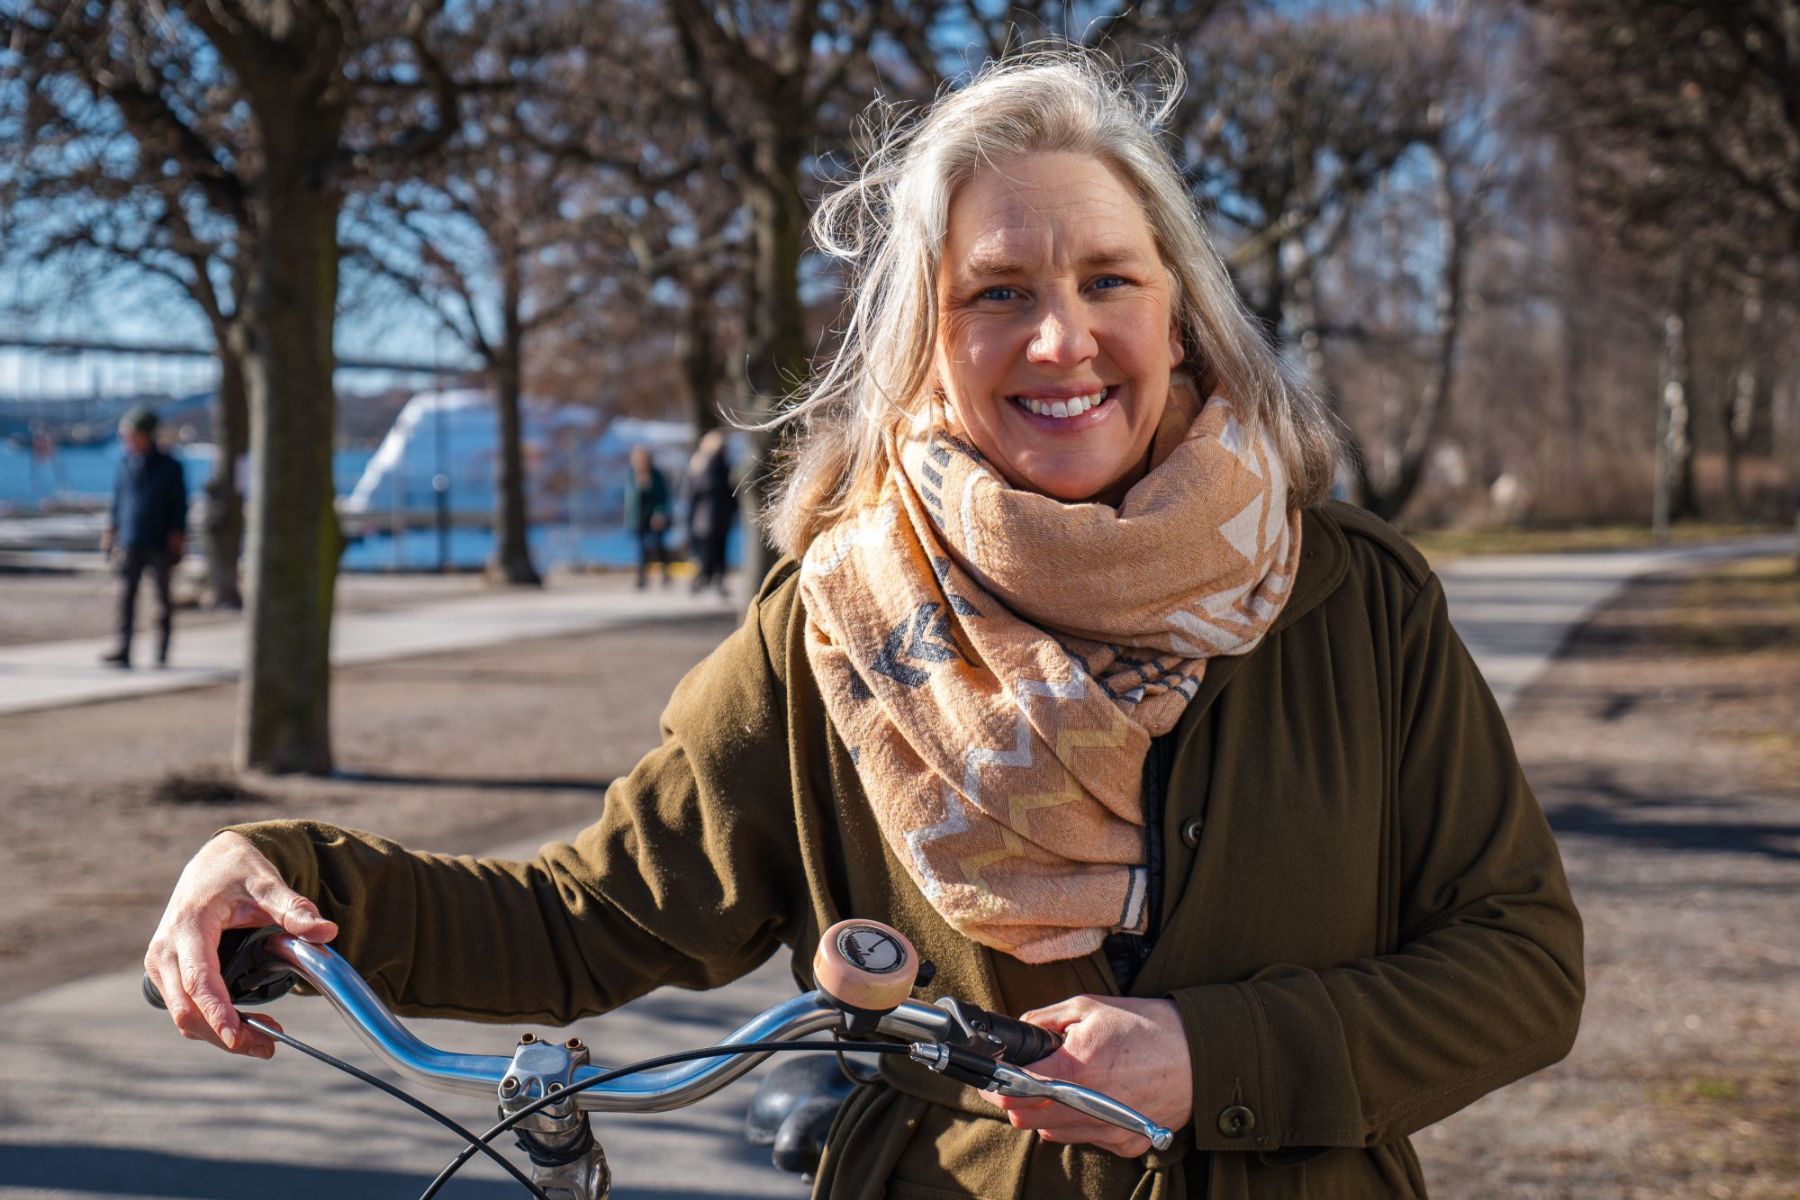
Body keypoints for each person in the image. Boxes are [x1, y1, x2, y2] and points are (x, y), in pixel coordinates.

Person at [145, 52, 1582, 1198]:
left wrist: (1220, 1055)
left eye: (1107, 281)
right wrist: (282, 868)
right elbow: (591, 919)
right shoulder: (829, 629)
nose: (1059, 339)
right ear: (926, 344)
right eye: (995, 293)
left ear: (1183, 314)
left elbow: (1521, 961)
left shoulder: (1353, 603)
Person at [101, 406, 187, 669]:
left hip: (159, 541)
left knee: (162, 598)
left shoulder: (170, 467)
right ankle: (123, 649)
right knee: (125, 596)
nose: (128, 440)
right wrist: (110, 532)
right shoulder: (125, 463)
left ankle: (162, 651)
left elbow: (179, 506)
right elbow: (118, 502)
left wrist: (177, 539)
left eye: (132, 434)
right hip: (130, 539)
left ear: (147, 435)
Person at [682, 429, 737, 595]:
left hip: (704, 517)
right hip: (712, 517)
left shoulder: (698, 465)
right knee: (715, 552)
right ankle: (706, 580)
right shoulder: (717, 466)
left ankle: (705, 580)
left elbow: (690, 493)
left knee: (711, 552)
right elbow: (730, 492)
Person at [624, 444, 672, 589]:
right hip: (639, 516)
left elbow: (663, 497)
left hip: (654, 516)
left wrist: (660, 513)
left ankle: (665, 574)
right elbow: (630, 498)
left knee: (658, 545)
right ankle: (641, 577)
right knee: (640, 548)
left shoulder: (656, 475)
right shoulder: (632, 475)